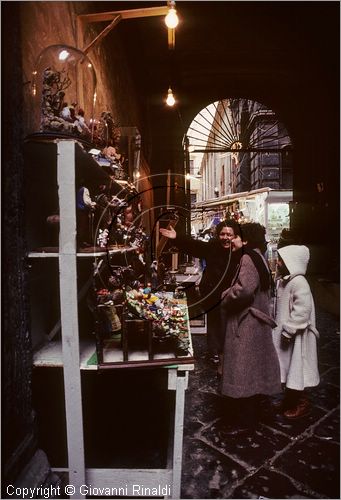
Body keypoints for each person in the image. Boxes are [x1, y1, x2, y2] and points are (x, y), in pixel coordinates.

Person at [220, 222, 281, 432]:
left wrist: (225, 296)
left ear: (244, 239)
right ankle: (252, 416)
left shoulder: (247, 257)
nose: (231, 240)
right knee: (252, 371)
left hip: (246, 324)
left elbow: (244, 290)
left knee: (242, 372)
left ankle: (244, 422)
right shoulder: (259, 256)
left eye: (235, 236)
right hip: (256, 322)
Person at [159, 220, 243, 364]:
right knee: (214, 323)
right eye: (222, 234)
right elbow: (195, 246)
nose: (225, 237)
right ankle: (214, 353)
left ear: (235, 236)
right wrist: (177, 238)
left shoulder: (240, 252)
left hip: (232, 295)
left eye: (229, 234)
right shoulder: (213, 247)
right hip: (212, 293)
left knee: (231, 325)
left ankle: (230, 354)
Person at [272, 245, 320, 419]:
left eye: (281, 260)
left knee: (298, 368)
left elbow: (302, 311)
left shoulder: (299, 282)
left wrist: (289, 330)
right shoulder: (287, 280)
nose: (278, 263)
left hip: (297, 336)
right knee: (288, 367)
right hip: (288, 335)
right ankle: (290, 399)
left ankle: (302, 401)